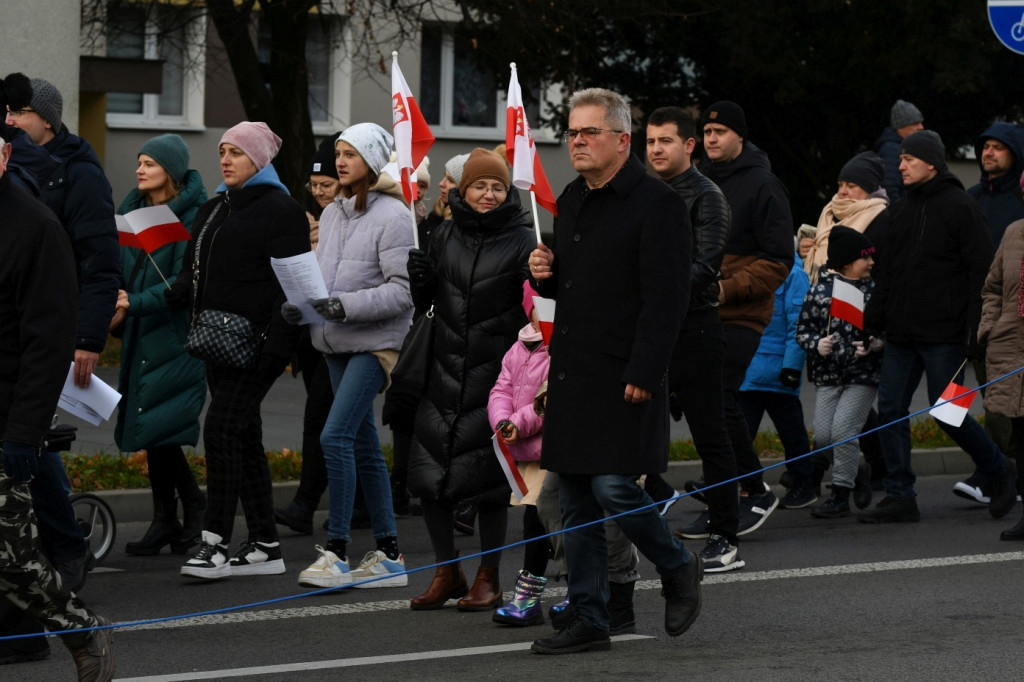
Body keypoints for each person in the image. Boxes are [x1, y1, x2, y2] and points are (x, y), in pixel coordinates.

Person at [527, 87, 702, 654]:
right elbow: (578, 287)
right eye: (572, 133)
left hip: (627, 372)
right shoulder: (574, 198)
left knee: (612, 486)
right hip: (576, 372)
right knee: (575, 496)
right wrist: (546, 276)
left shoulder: (658, 203)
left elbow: (668, 296)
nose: (576, 141)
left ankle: (677, 564)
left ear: (621, 140)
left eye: (589, 132)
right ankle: (591, 617)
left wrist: (647, 368)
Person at [0, 118, 114, 679]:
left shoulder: (35, 229)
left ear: (3, 157)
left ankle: (81, 630)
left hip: (6, 417)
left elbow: (47, 348)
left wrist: (24, 436)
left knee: (12, 559)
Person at [171, 121, 310, 579]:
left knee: (222, 429)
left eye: (237, 152)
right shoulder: (214, 208)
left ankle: (213, 544)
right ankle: (266, 546)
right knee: (244, 436)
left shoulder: (281, 209)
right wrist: (162, 295)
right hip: (215, 340)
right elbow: (198, 272)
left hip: (260, 345)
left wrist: (275, 350)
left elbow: (290, 289)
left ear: (260, 160)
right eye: (223, 151)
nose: (226, 159)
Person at [860, 130, 1018, 523]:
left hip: (946, 336)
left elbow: (979, 274)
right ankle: (900, 495)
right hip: (901, 335)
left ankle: (1000, 471)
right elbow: (887, 273)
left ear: (931, 162)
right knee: (892, 409)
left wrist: (974, 334)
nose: (900, 166)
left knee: (946, 411)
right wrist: (872, 321)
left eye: (908, 160)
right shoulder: (899, 212)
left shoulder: (962, 207)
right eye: (900, 160)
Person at [406, 147, 535, 612]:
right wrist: (419, 278)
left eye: (497, 187)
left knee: (488, 483)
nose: (487, 194)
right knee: (432, 474)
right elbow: (427, 304)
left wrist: (542, 278)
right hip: (442, 369)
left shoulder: (523, 240)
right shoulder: (443, 233)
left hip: (496, 376)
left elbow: (534, 307)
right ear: (463, 189)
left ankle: (489, 576)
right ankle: (446, 569)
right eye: (479, 185)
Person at [285, 123, 413, 589]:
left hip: (375, 345)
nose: (340, 161)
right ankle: (390, 555)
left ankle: (337, 551)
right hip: (332, 342)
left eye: (350, 154)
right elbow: (323, 278)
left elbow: (403, 292)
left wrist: (344, 306)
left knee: (334, 436)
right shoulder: (334, 212)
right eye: (338, 153)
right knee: (361, 446)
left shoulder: (395, 215)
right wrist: (299, 305)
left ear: (373, 161)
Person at [643, 106, 743, 571]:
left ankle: (726, 535)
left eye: (665, 141)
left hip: (696, 329)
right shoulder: (642, 194)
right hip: (648, 330)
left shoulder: (708, 196)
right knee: (632, 430)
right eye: (650, 142)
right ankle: (649, 506)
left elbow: (705, 266)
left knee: (711, 435)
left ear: (689, 146)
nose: (656, 149)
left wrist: (657, 297)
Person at [697, 100, 793, 536]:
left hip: (741, 313)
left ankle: (754, 489)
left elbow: (778, 259)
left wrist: (725, 286)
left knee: (718, 395)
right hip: (696, 309)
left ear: (740, 136)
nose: (711, 138)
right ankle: (726, 494)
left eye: (720, 131)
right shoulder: (697, 182)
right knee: (705, 401)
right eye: (706, 131)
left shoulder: (763, 185)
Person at [112, 134, 207, 556]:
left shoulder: (189, 221)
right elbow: (122, 273)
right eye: (139, 162)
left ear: (170, 171)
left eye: (149, 164)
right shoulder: (131, 211)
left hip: (172, 335)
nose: (139, 170)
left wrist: (134, 303)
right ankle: (166, 520)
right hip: (139, 332)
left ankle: (192, 511)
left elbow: (181, 288)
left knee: (162, 431)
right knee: (154, 433)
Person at [274, 133, 344, 535]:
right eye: (314, 186)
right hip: (311, 337)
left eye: (327, 186)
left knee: (323, 421)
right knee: (335, 425)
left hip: (341, 335)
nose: (318, 193)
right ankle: (362, 503)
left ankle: (305, 504)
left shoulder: (347, 221)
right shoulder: (306, 219)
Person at [797, 227, 882, 518]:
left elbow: (886, 330)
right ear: (845, 262)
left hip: (862, 376)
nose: (871, 262)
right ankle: (857, 471)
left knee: (843, 432)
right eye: (864, 258)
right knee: (823, 437)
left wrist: (874, 345)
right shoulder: (819, 290)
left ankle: (840, 494)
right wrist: (815, 344)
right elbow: (803, 330)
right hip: (828, 376)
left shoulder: (874, 291)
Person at [961, 123, 1024, 506]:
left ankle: (1002, 473)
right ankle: (999, 471)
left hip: (1017, 323)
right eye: (985, 146)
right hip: (989, 322)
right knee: (995, 403)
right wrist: (985, 326)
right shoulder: (969, 199)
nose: (988, 153)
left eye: (998, 147)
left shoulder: (1019, 203)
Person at [490, 283, 553, 625]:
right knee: (537, 521)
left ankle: (576, 589)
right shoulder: (519, 347)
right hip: (529, 451)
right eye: (537, 304)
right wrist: (501, 420)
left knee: (552, 520)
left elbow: (549, 400)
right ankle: (530, 596)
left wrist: (517, 421)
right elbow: (501, 388)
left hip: (554, 448)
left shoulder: (560, 346)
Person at [739, 252, 817, 509]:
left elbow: (799, 322)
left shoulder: (794, 274)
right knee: (740, 431)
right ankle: (745, 485)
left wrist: (792, 366)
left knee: (791, 432)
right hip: (750, 366)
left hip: (777, 369)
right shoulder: (751, 269)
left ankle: (804, 482)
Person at [977, 203, 1024, 540]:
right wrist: (989, 328)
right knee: (1020, 436)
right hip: (1011, 346)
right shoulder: (1013, 232)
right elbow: (992, 288)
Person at [800, 151, 889, 285]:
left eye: (851, 186)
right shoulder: (830, 212)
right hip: (819, 294)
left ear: (869, 189)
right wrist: (806, 250)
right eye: (840, 184)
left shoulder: (882, 219)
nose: (842, 191)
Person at [874, 99, 924, 204]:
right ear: (900, 127)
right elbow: (889, 189)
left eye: (920, 122)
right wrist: (902, 215)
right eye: (915, 123)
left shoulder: (901, 148)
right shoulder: (891, 150)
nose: (921, 127)